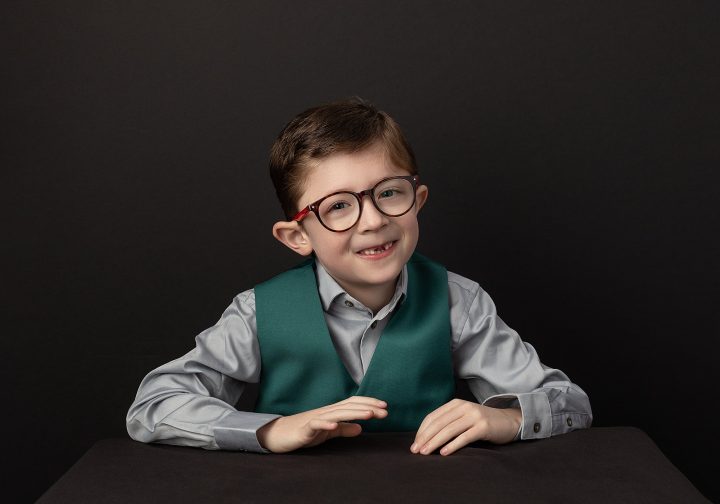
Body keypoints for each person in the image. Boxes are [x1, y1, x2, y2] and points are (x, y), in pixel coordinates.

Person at [126, 98, 592, 456]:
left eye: (389, 193)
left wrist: (504, 421)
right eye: (338, 206)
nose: (372, 221)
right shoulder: (257, 312)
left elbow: (569, 402)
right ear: (296, 236)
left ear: (419, 200)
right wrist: (267, 429)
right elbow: (153, 406)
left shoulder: (458, 301)